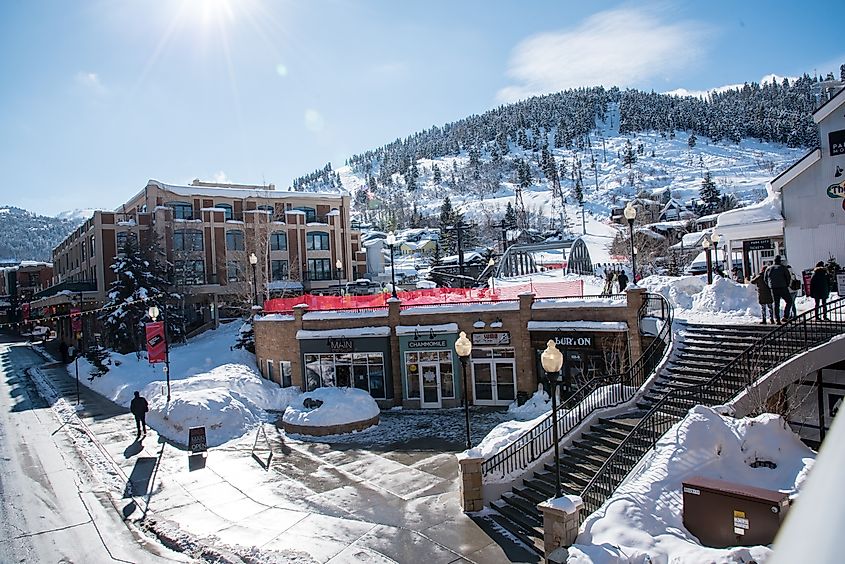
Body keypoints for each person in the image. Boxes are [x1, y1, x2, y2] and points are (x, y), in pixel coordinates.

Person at [764, 255, 792, 324]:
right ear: (780, 261)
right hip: (783, 287)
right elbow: (788, 277)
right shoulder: (783, 268)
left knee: (776, 304)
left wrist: (769, 285)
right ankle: (785, 316)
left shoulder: (769, 268)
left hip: (773, 288)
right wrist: (787, 284)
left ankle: (777, 319)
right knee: (789, 301)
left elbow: (765, 279)